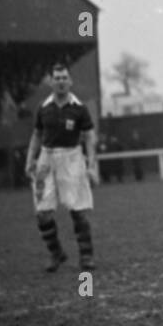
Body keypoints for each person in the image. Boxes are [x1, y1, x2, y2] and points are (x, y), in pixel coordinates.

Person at [26, 64, 99, 271]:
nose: (60, 81)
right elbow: (37, 135)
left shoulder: (79, 108)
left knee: (78, 210)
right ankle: (56, 253)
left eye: (64, 78)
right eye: (56, 78)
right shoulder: (43, 108)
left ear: (70, 81)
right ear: (51, 82)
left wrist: (91, 165)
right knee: (42, 212)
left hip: (71, 158)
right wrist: (30, 159)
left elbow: (89, 137)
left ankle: (86, 256)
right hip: (45, 160)